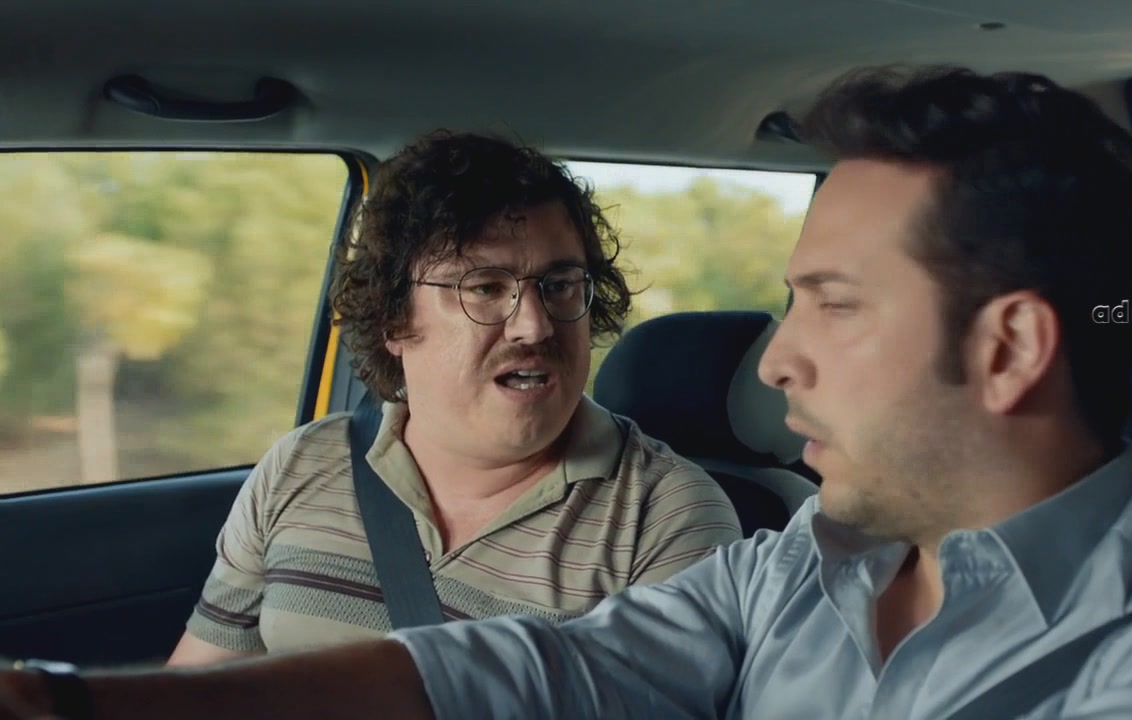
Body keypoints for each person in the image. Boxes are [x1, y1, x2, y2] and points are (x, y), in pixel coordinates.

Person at [4, 64, 1132, 719]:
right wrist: (70, 703)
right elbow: (536, 670)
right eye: (790, 303)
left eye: (832, 304)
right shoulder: (804, 566)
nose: (773, 361)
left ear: (1006, 349)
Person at [162, 130, 743, 665]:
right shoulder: (302, 463)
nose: (535, 326)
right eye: (486, 288)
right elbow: (193, 689)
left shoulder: (665, 518)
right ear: (394, 318)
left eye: (561, 285)